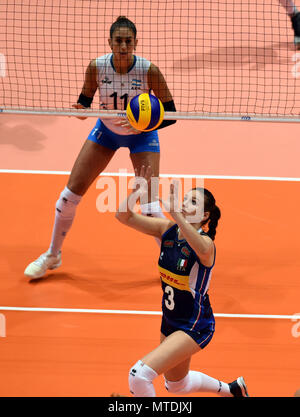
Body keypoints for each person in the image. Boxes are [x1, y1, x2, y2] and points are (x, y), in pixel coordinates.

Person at [24, 16, 176, 279]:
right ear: (110, 42)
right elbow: (85, 99)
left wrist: (145, 126)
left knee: (150, 204)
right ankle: (53, 254)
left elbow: (172, 114)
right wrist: (81, 110)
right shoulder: (97, 67)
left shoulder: (149, 70)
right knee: (68, 198)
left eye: (129, 41)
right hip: (106, 133)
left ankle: (174, 264)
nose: (124, 46)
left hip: (142, 137)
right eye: (119, 41)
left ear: (136, 43)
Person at [114, 166, 249, 397]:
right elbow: (122, 216)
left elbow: (196, 242)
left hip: (194, 324)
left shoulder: (206, 246)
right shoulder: (167, 230)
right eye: (185, 199)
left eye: (193, 202)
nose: (186, 203)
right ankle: (232, 390)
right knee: (177, 385)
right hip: (170, 319)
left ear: (205, 215)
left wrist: (176, 213)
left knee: (139, 374)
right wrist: (138, 190)